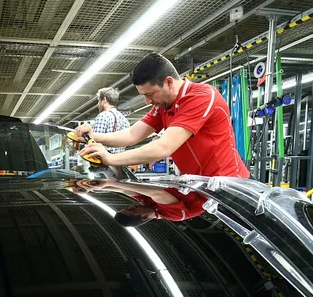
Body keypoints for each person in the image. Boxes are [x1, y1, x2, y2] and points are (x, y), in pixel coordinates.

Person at [74, 53, 249, 178]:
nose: (147, 102)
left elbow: (163, 148)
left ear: (169, 82)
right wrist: (91, 136)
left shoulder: (200, 97)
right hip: (199, 186)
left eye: (150, 94)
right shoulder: (165, 106)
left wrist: (110, 158)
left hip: (229, 186)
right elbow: (132, 134)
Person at [73, 178, 206, 225]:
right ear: (144, 217)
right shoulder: (173, 215)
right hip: (211, 188)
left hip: (196, 180)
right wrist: (109, 182)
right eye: (132, 210)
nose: (132, 205)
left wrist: (92, 189)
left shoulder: (146, 206)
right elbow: (157, 193)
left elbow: (125, 191)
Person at [90, 87, 130, 154]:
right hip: (120, 161)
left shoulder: (103, 116)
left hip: (105, 161)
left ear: (104, 100)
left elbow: (94, 142)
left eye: (99, 100)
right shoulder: (125, 120)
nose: (98, 104)